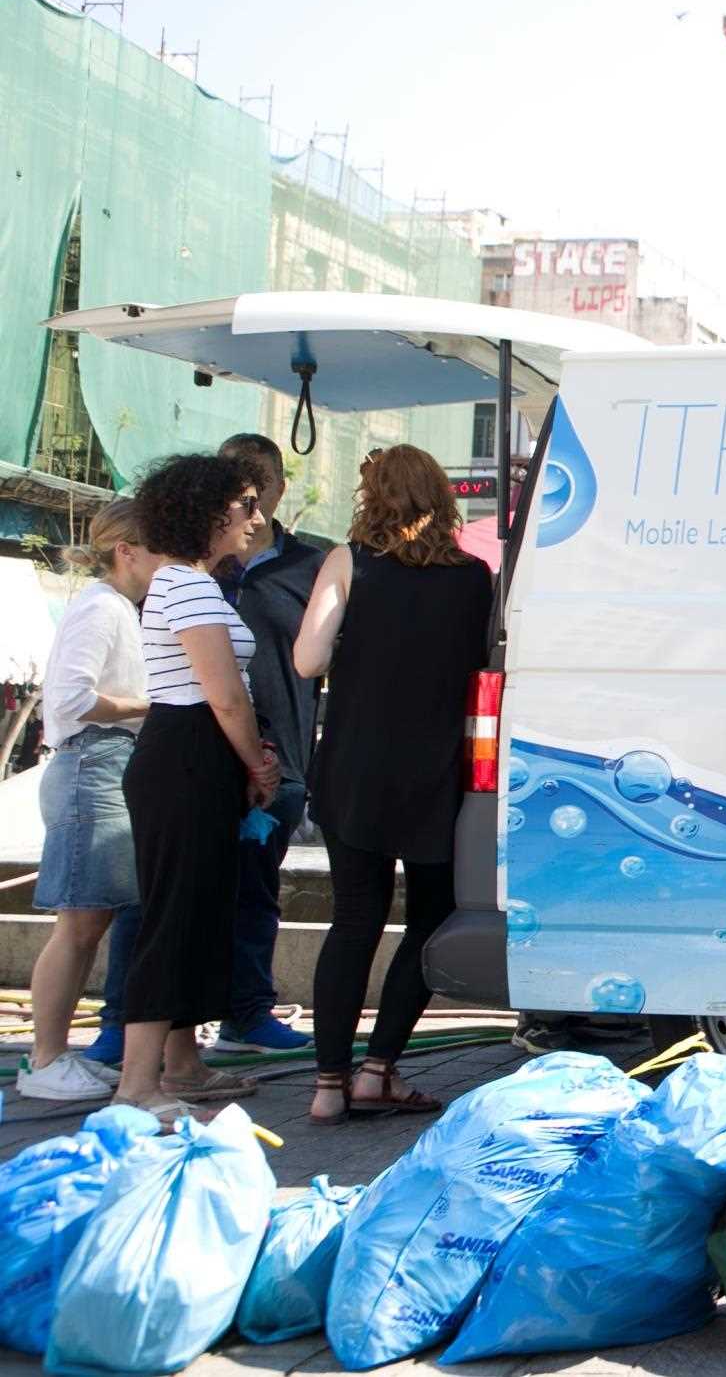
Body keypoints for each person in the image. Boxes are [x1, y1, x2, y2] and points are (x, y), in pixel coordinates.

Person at [298, 445, 491, 1123]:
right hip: (436, 772)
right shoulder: (474, 578)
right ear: (441, 497)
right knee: (429, 918)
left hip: (353, 768)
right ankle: (379, 1069)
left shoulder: (348, 562)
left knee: (353, 919)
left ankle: (327, 1087)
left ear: (372, 496)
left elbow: (306, 657)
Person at [115, 454, 280, 1120]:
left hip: (193, 755)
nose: (256, 517)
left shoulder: (193, 585)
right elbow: (225, 698)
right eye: (245, 504)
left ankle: (181, 1065)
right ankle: (136, 1083)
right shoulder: (186, 585)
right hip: (185, 753)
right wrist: (259, 764)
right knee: (174, 914)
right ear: (208, 512)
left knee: (198, 909)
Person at [16, 503, 160, 1101]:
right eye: (158, 548)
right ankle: (45, 1060)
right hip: (91, 764)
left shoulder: (116, 607)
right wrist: (148, 705)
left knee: (90, 919)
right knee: (78, 923)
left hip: (104, 765)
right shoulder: (100, 606)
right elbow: (73, 697)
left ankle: (52, 1057)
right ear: (127, 550)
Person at [210, 433, 321, 1054]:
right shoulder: (194, 565)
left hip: (286, 758)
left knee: (256, 893)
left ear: (281, 488)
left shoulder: (311, 566)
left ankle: (246, 1013)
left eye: (262, 488)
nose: (252, 506)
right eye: (238, 489)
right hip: (205, 756)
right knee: (174, 894)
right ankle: (147, 1023)